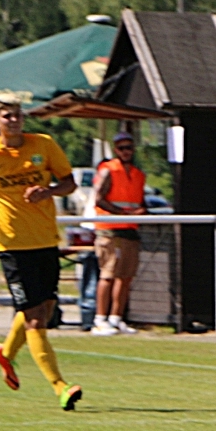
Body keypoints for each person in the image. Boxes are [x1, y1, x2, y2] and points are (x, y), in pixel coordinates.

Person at [0, 98, 81, 410]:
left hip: (45, 240)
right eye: (7, 116)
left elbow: (69, 183)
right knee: (35, 320)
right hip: (13, 246)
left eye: (18, 115)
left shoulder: (43, 144)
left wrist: (50, 191)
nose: (14, 120)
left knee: (44, 308)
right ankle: (61, 386)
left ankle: (6, 352)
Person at [90, 130, 146, 334]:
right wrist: (121, 213)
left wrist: (140, 211)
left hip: (130, 229)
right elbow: (99, 198)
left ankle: (116, 317)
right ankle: (100, 319)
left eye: (129, 148)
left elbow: (140, 201)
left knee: (126, 276)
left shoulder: (138, 174)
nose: (126, 152)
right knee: (108, 274)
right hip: (109, 230)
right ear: (115, 150)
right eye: (122, 148)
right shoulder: (108, 170)